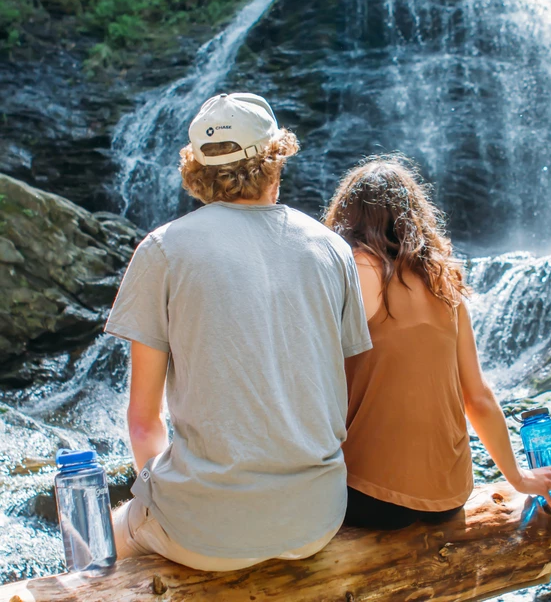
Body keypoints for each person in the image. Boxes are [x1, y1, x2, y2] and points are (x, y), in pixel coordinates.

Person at [105, 93, 372, 570]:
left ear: (198, 170)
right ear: (276, 159)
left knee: (97, 539)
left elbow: (144, 422)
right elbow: (344, 398)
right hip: (317, 519)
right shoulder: (332, 249)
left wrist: (162, 497)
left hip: (205, 534)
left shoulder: (162, 250)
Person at [323, 156, 551, 530]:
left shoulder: (358, 266)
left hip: (370, 496)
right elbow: (479, 398)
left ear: (348, 215)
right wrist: (519, 479)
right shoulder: (443, 281)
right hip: (448, 498)